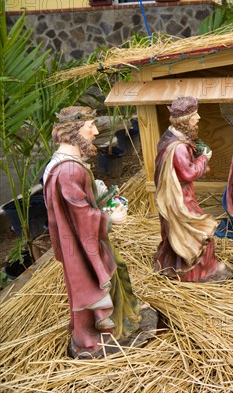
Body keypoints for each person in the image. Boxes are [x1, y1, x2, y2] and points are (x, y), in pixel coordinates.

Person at [43, 106, 155, 359]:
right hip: (84, 247)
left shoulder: (68, 164)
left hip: (87, 242)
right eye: (89, 126)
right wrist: (109, 218)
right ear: (73, 132)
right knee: (101, 280)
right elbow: (80, 215)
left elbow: (83, 200)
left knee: (118, 268)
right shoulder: (69, 170)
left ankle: (126, 313)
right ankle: (105, 331)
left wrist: (103, 197)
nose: (95, 131)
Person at [154, 96, 231, 282]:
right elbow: (188, 173)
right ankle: (201, 272)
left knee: (179, 233)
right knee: (199, 232)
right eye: (195, 116)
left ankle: (176, 266)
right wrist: (204, 158)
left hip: (178, 194)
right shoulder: (178, 147)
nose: (198, 119)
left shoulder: (171, 138)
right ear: (185, 121)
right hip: (179, 199)